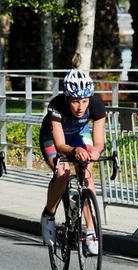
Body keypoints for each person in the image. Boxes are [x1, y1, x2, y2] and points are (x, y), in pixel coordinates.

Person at [39, 69, 106, 255]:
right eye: (76, 101)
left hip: (78, 135)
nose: (80, 107)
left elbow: (99, 142)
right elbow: (60, 144)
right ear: (67, 98)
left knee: (87, 176)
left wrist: (94, 151)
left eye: (84, 101)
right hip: (52, 138)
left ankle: (92, 233)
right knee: (63, 174)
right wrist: (75, 151)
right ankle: (49, 215)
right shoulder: (56, 105)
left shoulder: (97, 106)